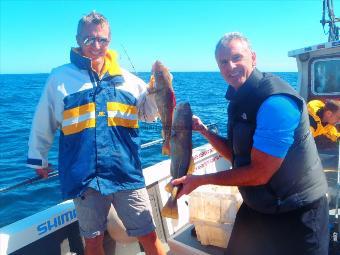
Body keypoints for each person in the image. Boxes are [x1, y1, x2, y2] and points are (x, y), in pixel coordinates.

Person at [172, 32, 329, 255]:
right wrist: (205, 132)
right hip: (258, 207)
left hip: (298, 214)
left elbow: (260, 173)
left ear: (253, 58)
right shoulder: (239, 98)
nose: (230, 66)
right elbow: (239, 157)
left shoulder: (276, 102)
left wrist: (200, 180)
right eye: (223, 62)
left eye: (237, 58)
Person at [27, 11, 166, 255]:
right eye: (89, 39)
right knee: (93, 241)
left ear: (109, 41)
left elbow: (149, 114)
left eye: (102, 40)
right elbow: (44, 119)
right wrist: (39, 157)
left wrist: (157, 91)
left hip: (125, 172)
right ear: (78, 39)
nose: (96, 45)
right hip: (84, 176)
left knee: (149, 234)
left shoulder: (130, 81)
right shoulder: (59, 78)